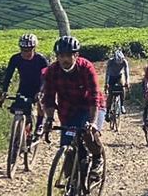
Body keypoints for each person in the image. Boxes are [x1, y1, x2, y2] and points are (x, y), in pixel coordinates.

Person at [42, 35, 105, 182]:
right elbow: (49, 97)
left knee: (88, 134)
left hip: (90, 107)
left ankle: (97, 158)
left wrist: (93, 122)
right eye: (60, 56)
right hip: (68, 110)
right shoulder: (52, 71)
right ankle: (72, 187)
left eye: (68, 56)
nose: (64, 60)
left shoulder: (86, 67)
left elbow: (94, 96)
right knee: (68, 148)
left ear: (76, 55)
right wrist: (49, 119)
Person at [0, 33, 49, 144]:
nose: (26, 53)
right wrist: (4, 91)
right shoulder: (15, 59)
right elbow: (8, 76)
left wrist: (41, 91)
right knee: (20, 108)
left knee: (40, 103)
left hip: (39, 86)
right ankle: (21, 132)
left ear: (34, 48)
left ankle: (40, 124)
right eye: (23, 50)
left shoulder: (41, 59)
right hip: (24, 87)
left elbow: (46, 78)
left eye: (29, 50)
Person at [104, 47, 130, 118]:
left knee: (122, 88)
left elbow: (127, 72)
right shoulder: (110, 61)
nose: (119, 64)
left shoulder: (124, 61)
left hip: (119, 76)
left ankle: (122, 105)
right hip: (112, 76)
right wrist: (106, 83)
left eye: (120, 62)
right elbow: (107, 73)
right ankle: (107, 111)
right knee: (110, 94)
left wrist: (127, 82)